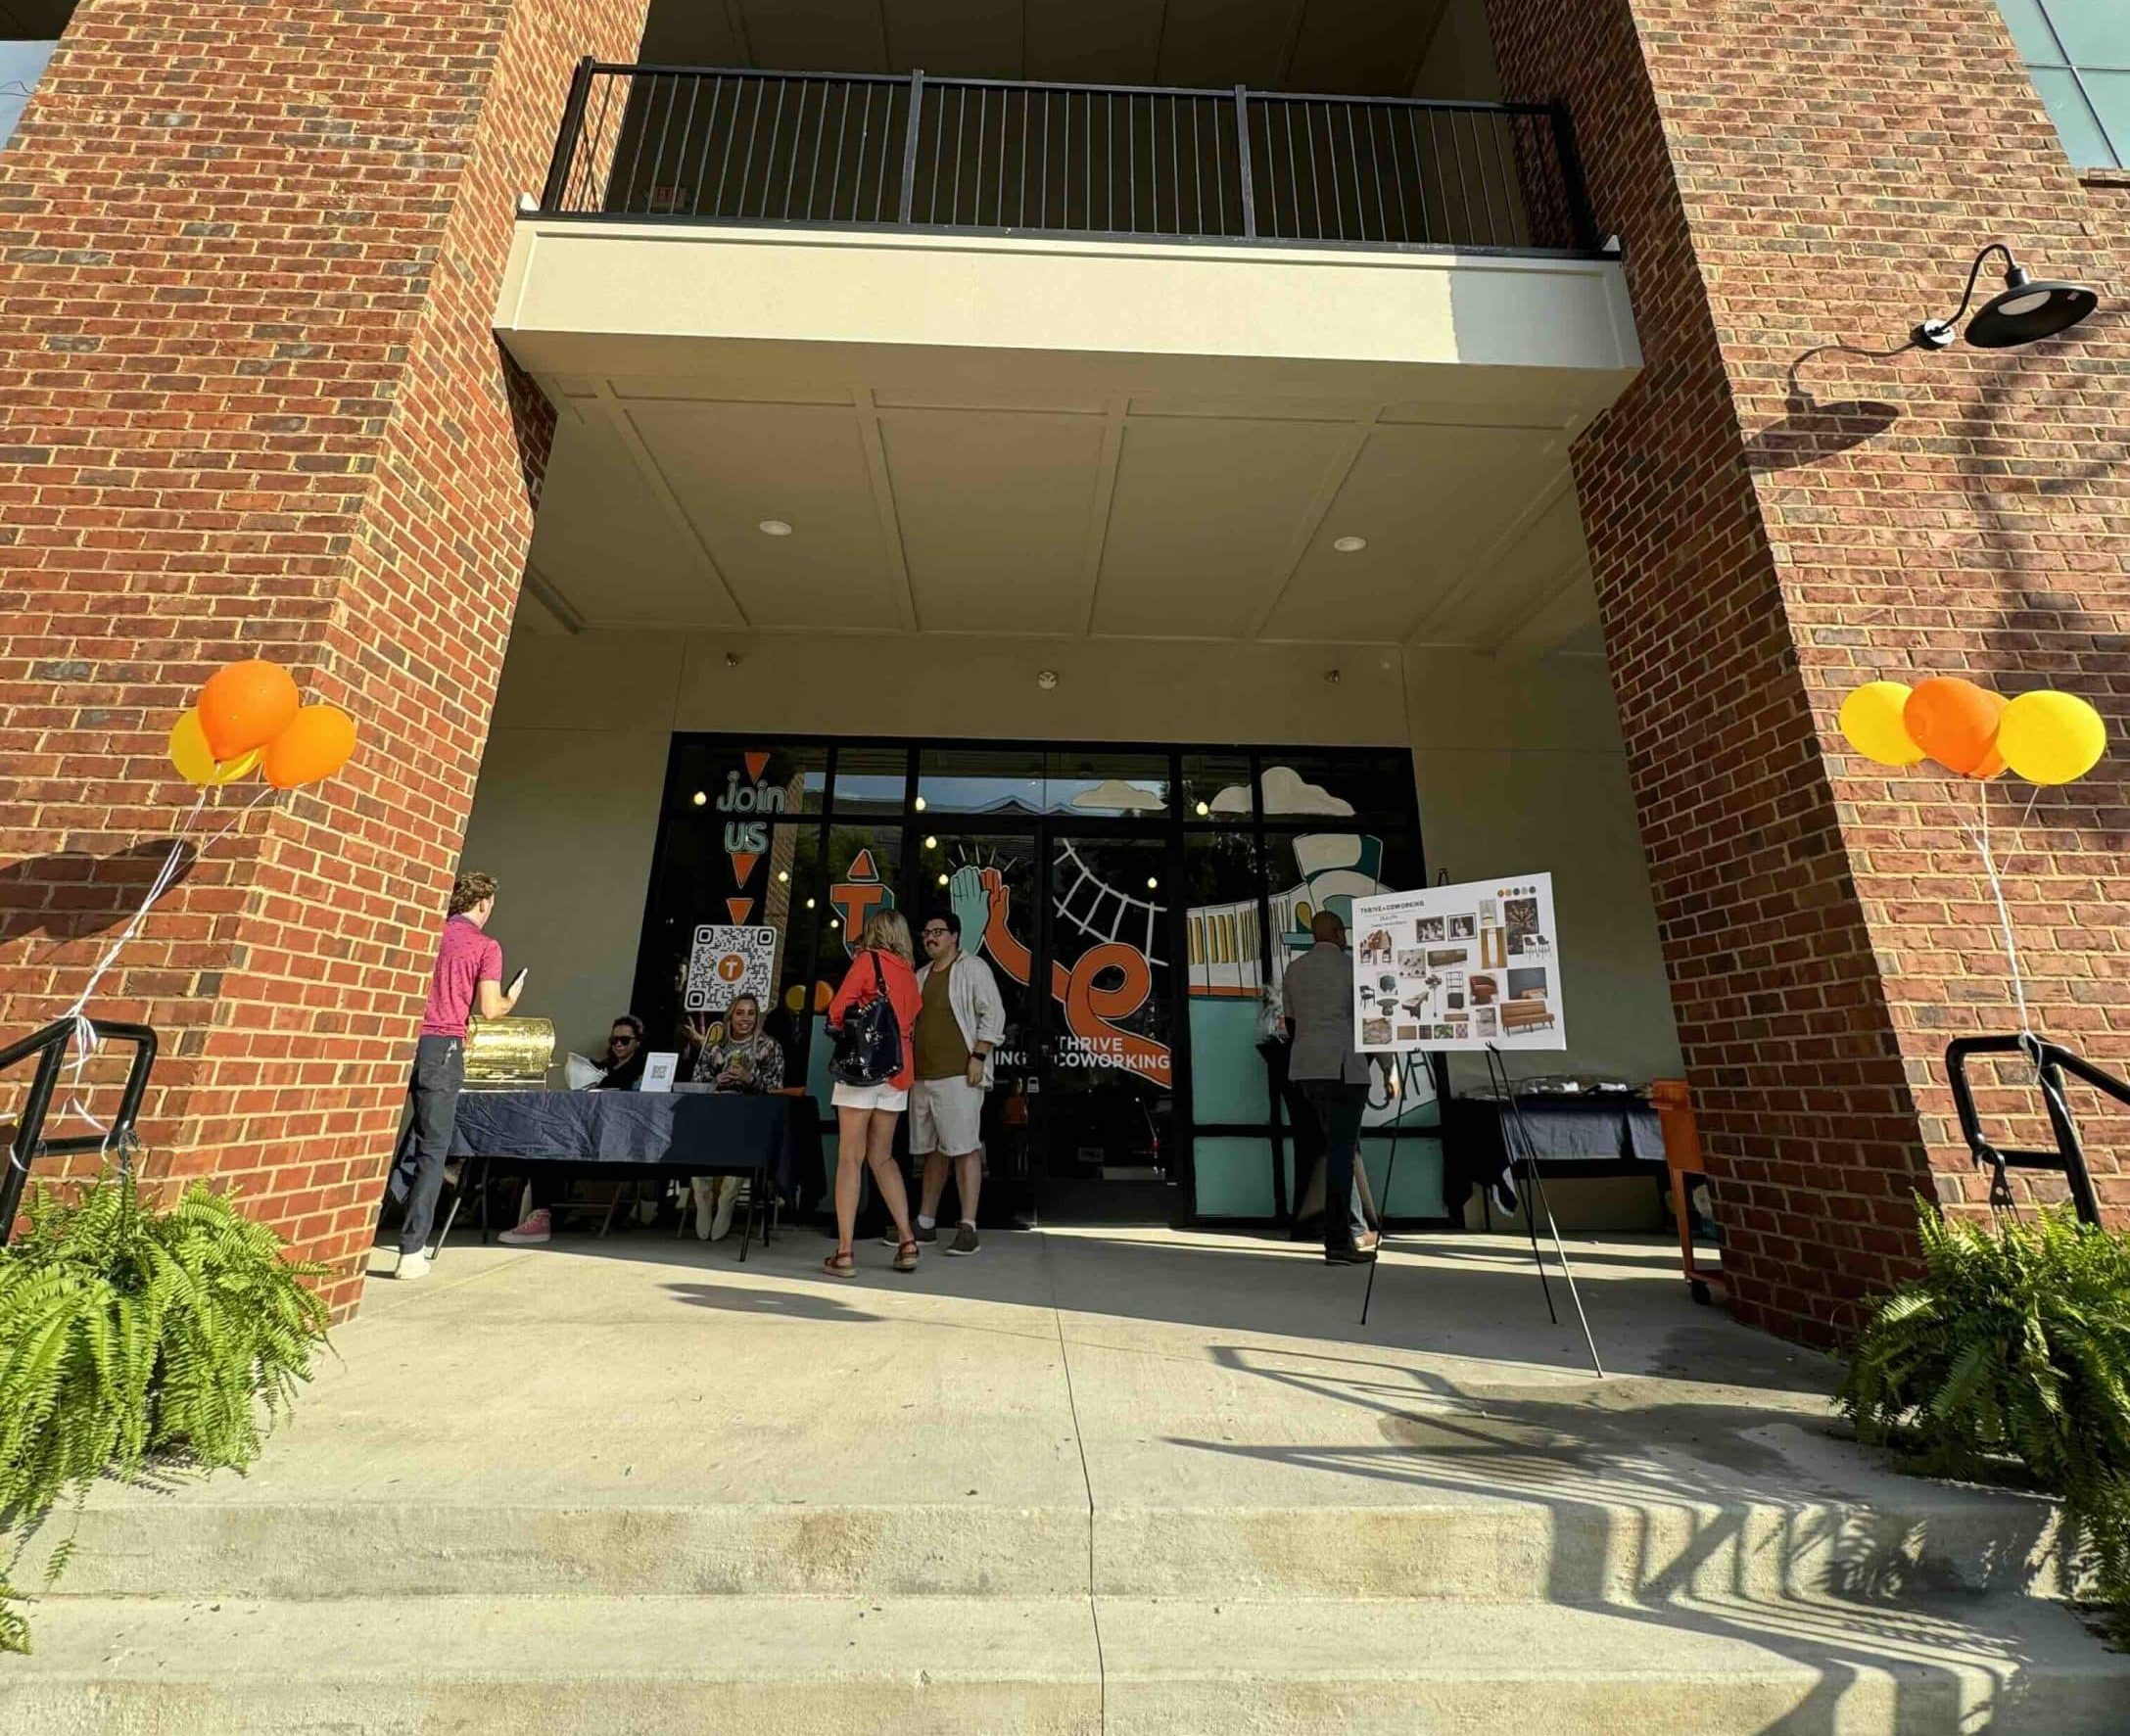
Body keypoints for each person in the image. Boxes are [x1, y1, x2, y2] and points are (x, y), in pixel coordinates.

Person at [387, 871, 520, 1280]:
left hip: (399, 1040)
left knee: (387, 1135)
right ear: (482, 903)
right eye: (491, 904)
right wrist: (513, 996)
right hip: (442, 1047)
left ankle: (365, 1224)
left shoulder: (430, 934)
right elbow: (490, 1009)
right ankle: (410, 1250)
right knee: (432, 1147)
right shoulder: (485, 946)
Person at [823, 911, 923, 1279]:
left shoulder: (868, 961)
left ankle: (845, 1253)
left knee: (850, 1159)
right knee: (883, 1158)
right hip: (897, 1073)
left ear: (875, 932)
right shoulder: (910, 974)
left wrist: (836, 1026)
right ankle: (908, 1241)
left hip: (861, 1070)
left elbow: (837, 1009)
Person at [904, 912, 1005, 1256]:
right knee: (933, 1152)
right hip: (923, 1077)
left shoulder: (973, 968)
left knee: (963, 1149)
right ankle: (926, 1224)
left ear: (955, 936)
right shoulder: (919, 976)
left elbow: (993, 1013)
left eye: (938, 932)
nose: (931, 937)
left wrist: (978, 1056)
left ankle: (968, 1227)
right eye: (926, 933)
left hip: (959, 1076)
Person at [500, 1013, 647, 1245]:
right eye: (614, 1040)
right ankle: (539, 1215)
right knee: (541, 1146)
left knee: (547, 1153)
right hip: (583, 1131)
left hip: (612, 1140)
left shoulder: (642, 1072)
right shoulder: (601, 1067)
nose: (618, 1044)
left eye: (625, 1040)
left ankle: (541, 1216)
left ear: (638, 1041)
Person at [1282, 910, 1375, 1266]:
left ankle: (1352, 1227)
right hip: (1344, 1067)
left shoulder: (1295, 970)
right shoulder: (1353, 969)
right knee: (1342, 1150)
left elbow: (1291, 1023)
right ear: (1337, 933)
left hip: (1307, 1069)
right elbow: (1371, 1023)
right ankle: (1339, 1242)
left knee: (1337, 1148)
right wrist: (1387, 1066)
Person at [686, 991, 784, 1242]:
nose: (746, 1019)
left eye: (751, 1013)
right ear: (730, 1016)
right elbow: (697, 1079)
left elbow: (776, 1087)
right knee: (696, 1137)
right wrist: (716, 1080)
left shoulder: (769, 1046)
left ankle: (727, 1200)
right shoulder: (716, 1045)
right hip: (715, 1110)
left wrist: (749, 1079)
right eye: (740, 1013)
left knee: (743, 1140)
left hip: (749, 1113)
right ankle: (704, 1200)